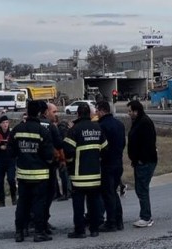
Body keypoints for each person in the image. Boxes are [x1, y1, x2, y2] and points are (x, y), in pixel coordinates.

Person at [11, 100, 54, 243]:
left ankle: (19, 232)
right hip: (40, 174)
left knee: (22, 202)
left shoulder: (17, 129)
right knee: (38, 204)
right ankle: (39, 232)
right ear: (40, 113)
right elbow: (48, 155)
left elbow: (11, 152)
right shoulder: (43, 131)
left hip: (23, 173)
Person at [63, 103, 107, 238]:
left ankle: (80, 231)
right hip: (94, 175)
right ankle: (94, 230)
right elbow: (105, 149)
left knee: (78, 206)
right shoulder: (98, 128)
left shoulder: (74, 130)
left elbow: (68, 150)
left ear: (78, 114)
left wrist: (70, 164)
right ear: (90, 114)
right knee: (94, 204)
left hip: (79, 176)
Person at [95, 101, 125, 232]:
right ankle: (119, 220)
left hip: (107, 164)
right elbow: (123, 143)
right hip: (118, 162)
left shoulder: (101, 126)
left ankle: (111, 222)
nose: (96, 113)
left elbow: (102, 147)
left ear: (102, 111)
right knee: (114, 192)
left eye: (97, 111)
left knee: (108, 194)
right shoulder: (119, 124)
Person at [126, 100, 157, 228]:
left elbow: (147, 144)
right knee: (140, 189)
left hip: (145, 161)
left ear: (136, 111)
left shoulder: (144, 123)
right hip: (140, 161)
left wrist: (140, 159)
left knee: (142, 189)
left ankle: (146, 217)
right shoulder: (138, 122)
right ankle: (145, 215)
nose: (129, 114)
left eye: (130, 111)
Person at [40, 102, 65, 234]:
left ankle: (36, 221)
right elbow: (59, 144)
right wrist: (62, 160)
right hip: (48, 166)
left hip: (35, 167)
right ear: (46, 112)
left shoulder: (30, 124)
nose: (56, 114)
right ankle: (42, 221)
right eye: (54, 112)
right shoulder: (51, 126)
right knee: (48, 194)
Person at [0, 115, 16, 207]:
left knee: (11, 179)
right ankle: (2, 201)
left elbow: (15, 145)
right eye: (3, 123)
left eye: (7, 122)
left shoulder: (12, 132)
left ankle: (14, 198)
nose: (5, 124)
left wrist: (8, 148)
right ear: (0, 124)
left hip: (10, 161)